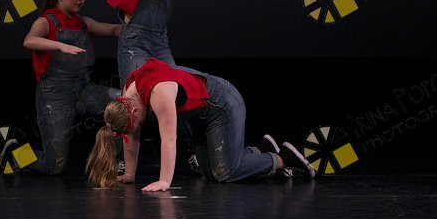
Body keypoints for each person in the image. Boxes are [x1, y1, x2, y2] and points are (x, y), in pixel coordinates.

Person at [85, 58, 315, 191]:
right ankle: (260, 149)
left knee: (225, 172)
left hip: (222, 104)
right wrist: (130, 173)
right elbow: (131, 137)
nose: (133, 132)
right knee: (209, 171)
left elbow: (169, 140)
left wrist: (164, 181)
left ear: (134, 112)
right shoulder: (128, 95)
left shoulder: (158, 94)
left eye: (133, 126)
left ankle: (282, 158)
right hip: (199, 117)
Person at [106, 0, 231, 173]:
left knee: (180, 95)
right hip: (135, 43)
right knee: (131, 101)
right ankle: (122, 163)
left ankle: (192, 152)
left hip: (160, 43)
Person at [20, 0, 122, 175]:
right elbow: (29, 41)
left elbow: (113, 30)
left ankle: (115, 160)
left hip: (83, 90)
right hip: (55, 95)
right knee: (54, 166)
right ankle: (16, 153)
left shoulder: (84, 23)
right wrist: (59, 45)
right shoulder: (45, 22)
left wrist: (136, 25)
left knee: (124, 105)